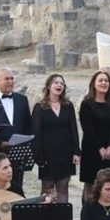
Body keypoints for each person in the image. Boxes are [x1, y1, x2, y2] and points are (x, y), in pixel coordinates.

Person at [31, 73, 80, 203]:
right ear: (48, 86)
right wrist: (38, 156)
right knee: (47, 189)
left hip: (65, 153)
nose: (59, 85)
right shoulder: (40, 107)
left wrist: (76, 151)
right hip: (47, 155)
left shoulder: (68, 106)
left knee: (63, 188)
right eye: (56, 82)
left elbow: (73, 130)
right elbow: (36, 133)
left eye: (61, 83)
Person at [0, 68, 33, 188]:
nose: (10, 81)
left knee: (17, 185)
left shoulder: (22, 99)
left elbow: (27, 124)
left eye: (12, 78)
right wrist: (0, 143)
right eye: (7, 79)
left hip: (18, 151)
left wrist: (25, 142)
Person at [79, 70, 110, 201]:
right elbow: (87, 129)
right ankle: (88, 218)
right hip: (92, 150)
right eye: (100, 80)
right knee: (91, 187)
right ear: (93, 83)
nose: (104, 83)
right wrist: (100, 148)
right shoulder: (87, 103)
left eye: (106, 81)